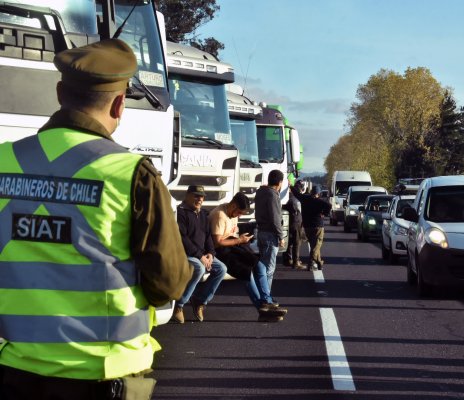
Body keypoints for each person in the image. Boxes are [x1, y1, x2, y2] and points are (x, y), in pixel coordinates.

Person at [0, 39, 192, 399]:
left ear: (60, 93)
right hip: (103, 375)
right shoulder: (131, 174)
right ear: (120, 104)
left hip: (14, 371)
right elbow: (169, 283)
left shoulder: (3, 161)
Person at [209, 192, 287, 322]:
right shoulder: (219, 215)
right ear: (233, 205)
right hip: (221, 251)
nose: (239, 216)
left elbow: (233, 234)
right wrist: (239, 240)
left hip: (234, 246)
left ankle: (267, 301)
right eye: (239, 212)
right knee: (246, 272)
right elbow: (217, 242)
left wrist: (243, 239)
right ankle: (262, 308)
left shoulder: (231, 212)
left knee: (260, 265)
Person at [171, 185, 228, 324]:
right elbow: (182, 238)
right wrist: (200, 256)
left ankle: (200, 300)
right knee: (199, 268)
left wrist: (210, 253)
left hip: (202, 255)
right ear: (187, 195)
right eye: (196, 196)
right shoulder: (180, 213)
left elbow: (208, 236)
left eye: (202, 197)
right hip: (185, 254)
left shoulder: (203, 214)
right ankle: (179, 305)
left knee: (222, 269)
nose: (200, 199)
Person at [255, 170, 287, 288]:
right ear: (279, 182)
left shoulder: (260, 192)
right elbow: (275, 218)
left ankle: (263, 294)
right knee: (269, 269)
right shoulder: (273, 195)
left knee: (263, 266)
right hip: (270, 235)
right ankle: (266, 297)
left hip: (261, 232)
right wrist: (281, 236)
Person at [291, 184, 332, 270]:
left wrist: (290, 186)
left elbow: (296, 194)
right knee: (316, 245)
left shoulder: (305, 199)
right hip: (318, 226)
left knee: (314, 245)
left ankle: (319, 262)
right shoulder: (320, 201)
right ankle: (311, 263)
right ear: (318, 193)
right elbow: (329, 206)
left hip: (307, 226)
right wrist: (324, 214)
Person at [283, 180, 307, 270]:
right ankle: (296, 262)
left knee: (289, 241)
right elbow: (299, 212)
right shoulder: (297, 199)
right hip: (296, 223)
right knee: (297, 242)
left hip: (288, 222)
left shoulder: (287, 197)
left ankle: (288, 259)